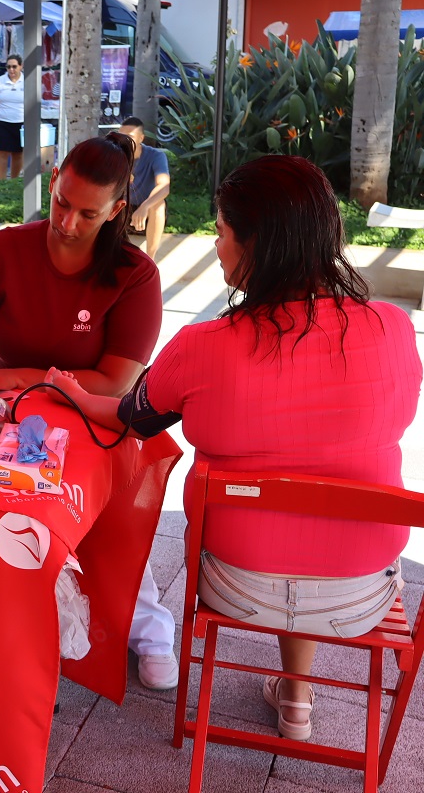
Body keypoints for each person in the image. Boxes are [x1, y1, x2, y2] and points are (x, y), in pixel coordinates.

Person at [44, 155, 422, 737]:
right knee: (321, 498)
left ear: (256, 248)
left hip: (237, 585)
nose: (217, 247)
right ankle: (296, 696)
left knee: (279, 516)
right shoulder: (395, 330)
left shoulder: (204, 347)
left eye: (221, 233)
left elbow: (128, 418)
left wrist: (62, 387)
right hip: (361, 595)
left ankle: (287, 691)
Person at [0, 133, 179, 690]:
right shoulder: (4, 249)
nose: (67, 222)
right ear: (55, 178)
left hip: (92, 421)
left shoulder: (135, 275)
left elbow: (116, 382)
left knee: (103, 528)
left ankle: (147, 621)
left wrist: (27, 376)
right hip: (3, 417)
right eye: (62, 202)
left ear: (117, 210)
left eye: (88, 213)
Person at [118, 116, 170, 259]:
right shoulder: (115, 155)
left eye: (129, 136)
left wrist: (144, 207)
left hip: (147, 210)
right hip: (122, 209)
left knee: (158, 204)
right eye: (121, 136)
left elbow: (164, 186)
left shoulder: (156, 156)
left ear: (141, 138)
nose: (124, 140)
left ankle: (150, 259)